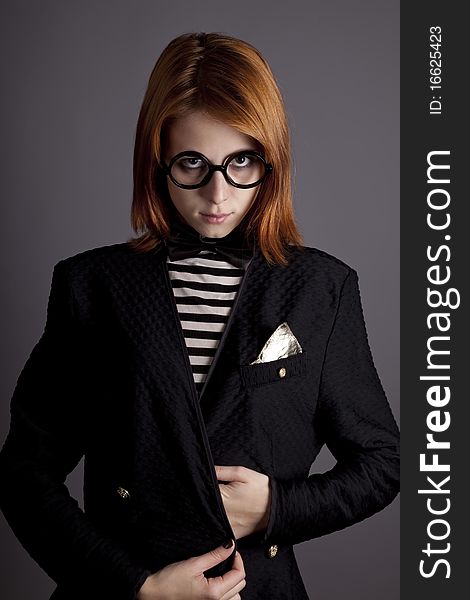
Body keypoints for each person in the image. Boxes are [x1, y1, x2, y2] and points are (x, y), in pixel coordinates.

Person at [0, 32, 400, 600]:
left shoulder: (321, 288)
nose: (218, 194)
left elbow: (382, 464)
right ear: (157, 159)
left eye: (242, 162)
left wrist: (277, 508)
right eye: (192, 163)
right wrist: (137, 586)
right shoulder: (92, 285)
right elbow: (23, 471)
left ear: (272, 160)